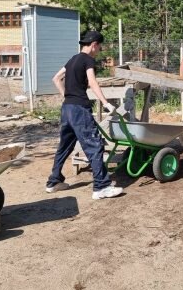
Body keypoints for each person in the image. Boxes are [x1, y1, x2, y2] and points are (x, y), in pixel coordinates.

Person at [45, 30, 124, 200]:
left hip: (67, 109)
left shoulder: (73, 59)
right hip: (80, 109)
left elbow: (56, 78)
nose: (99, 50)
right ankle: (101, 186)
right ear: (94, 44)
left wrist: (66, 96)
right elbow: (92, 81)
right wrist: (106, 103)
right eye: (100, 47)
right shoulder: (88, 60)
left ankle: (54, 181)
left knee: (64, 146)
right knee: (94, 145)